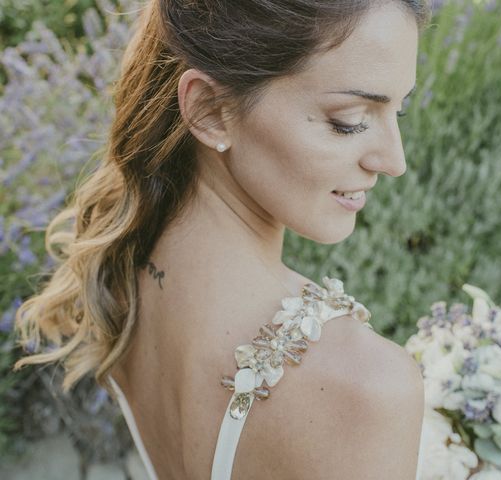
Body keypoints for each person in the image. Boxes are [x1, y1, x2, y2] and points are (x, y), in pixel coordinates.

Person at [14, 0, 432, 478]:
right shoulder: (367, 386)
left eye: (398, 109)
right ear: (210, 111)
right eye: (350, 119)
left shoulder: (123, 272)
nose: (393, 161)